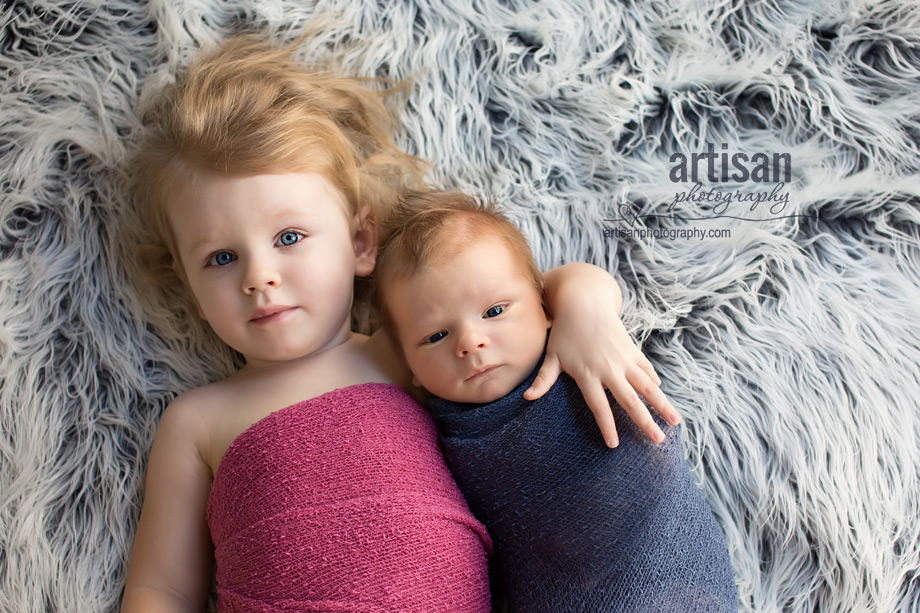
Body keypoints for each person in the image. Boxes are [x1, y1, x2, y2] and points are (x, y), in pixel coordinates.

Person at [120, 36, 680, 612]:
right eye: (221, 258)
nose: (258, 277)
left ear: (360, 242)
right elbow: (161, 587)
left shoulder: (412, 351)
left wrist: (587, 308)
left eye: (289, 238)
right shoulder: (196, 421)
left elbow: (524, 298)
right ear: (188, 282)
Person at [374, 190, 738, 612]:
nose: (471, 342)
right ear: (409, 365)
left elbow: (585, 279)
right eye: (435, 336)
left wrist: (587, 313)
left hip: (677, 578)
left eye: (494, 311)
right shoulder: (428, 430)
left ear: (545, 304)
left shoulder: (571, 348)